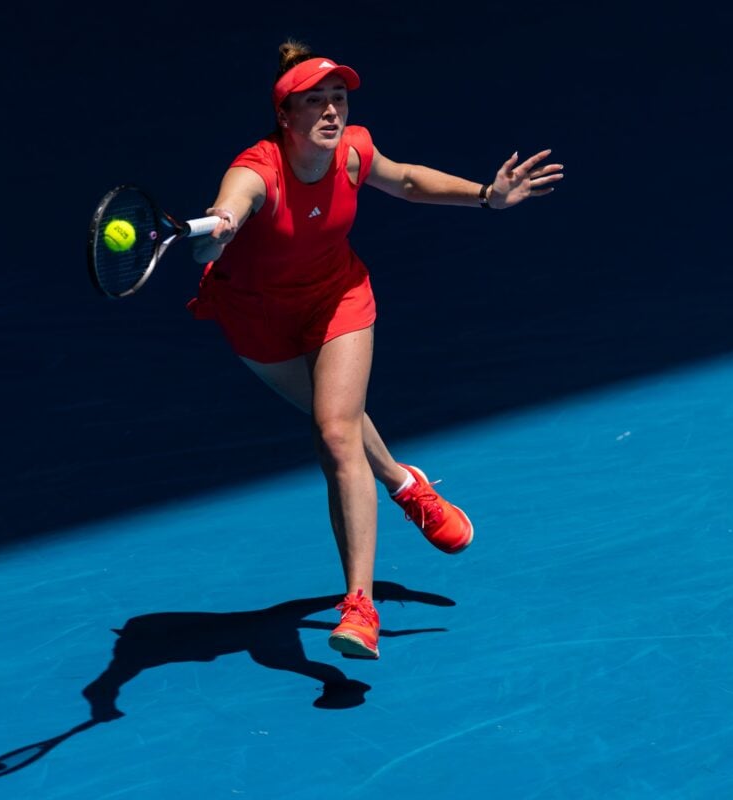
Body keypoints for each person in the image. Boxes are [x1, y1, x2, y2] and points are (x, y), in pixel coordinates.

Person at [186, 40, 563, 660]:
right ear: (286, 116)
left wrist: (486, 197)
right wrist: (220, 230)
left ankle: (359, 607)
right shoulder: (256, 169)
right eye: (316, 102)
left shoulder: (356, 150)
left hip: (337, 298)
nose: (333, 112)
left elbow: (408, 180)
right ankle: (402, 481)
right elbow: (230, 210)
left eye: (339, 98)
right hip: (256, 318)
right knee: (339, 419)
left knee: (335, 432)